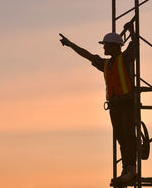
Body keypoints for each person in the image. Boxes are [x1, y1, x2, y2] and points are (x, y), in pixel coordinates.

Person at [59, 22, 137, 183]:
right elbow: (87, 55)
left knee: (128, 136)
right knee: (121, 138)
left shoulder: (125, 58)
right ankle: (126, 169)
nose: (104, 48)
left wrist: (131, 30)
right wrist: (70, 44)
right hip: (114, 106)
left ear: (115, 46)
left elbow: (135, 45)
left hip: (127, 104)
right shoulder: (106, 64)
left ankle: (131, 168)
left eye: (106, 45)